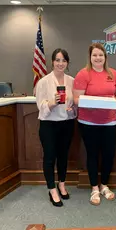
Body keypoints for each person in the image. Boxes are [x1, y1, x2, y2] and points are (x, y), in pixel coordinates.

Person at [73, 43, 116, 206]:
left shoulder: (113, 74)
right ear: (90, 57)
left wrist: (115, 100)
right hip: (88, 122)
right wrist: (91, 103)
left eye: (100, 55)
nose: (98, 58)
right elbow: (76, 99)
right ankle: (94, 187)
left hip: (109, 121)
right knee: (93, 154)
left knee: (109, 154)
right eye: (94, 55)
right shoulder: (83, 74)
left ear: (105, 57)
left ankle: (104, 185)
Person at [36, 48, 76, 207]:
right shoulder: (43, 82)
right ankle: (52, 189)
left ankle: (62, 184)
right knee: (50, 157)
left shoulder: (72, 81)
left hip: (66, 124)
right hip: (49, 125)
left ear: (67, 63)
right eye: (57, 60)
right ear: (52, 62)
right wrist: (52, 103)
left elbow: (75, 106)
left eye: (64, 60)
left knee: (63, 156)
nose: (60, 63)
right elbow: (40, 107)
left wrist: (72, 109)